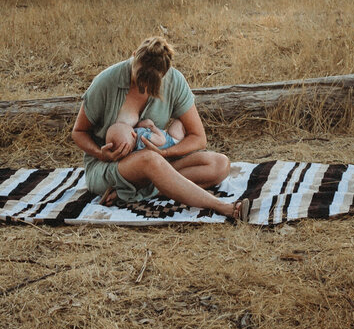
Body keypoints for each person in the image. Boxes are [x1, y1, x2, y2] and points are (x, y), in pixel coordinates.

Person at [71, 35, 246, 221]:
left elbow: (198, 138)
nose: (142, 86)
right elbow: (78, 132)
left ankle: (136, 193)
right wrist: (100, 154)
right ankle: (223, 207)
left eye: (151, 83)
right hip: (109, 166)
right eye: (139, 77)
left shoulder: (174, 81)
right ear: (133, 56)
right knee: (150, 160)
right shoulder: (106, 82)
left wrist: (166, 153)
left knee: (220, 164)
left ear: (164, 74)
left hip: (157, 161)